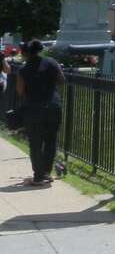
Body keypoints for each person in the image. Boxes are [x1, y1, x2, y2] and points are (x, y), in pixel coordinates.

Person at [15, 40, 65, 186]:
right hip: (53, 105)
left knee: (35, 142)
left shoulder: (23, 69)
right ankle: (46, 173)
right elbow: (62, 80)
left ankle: (38, 177)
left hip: (34, 108)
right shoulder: (51, 62)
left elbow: (19, 91)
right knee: (51, 140)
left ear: (25, 54)